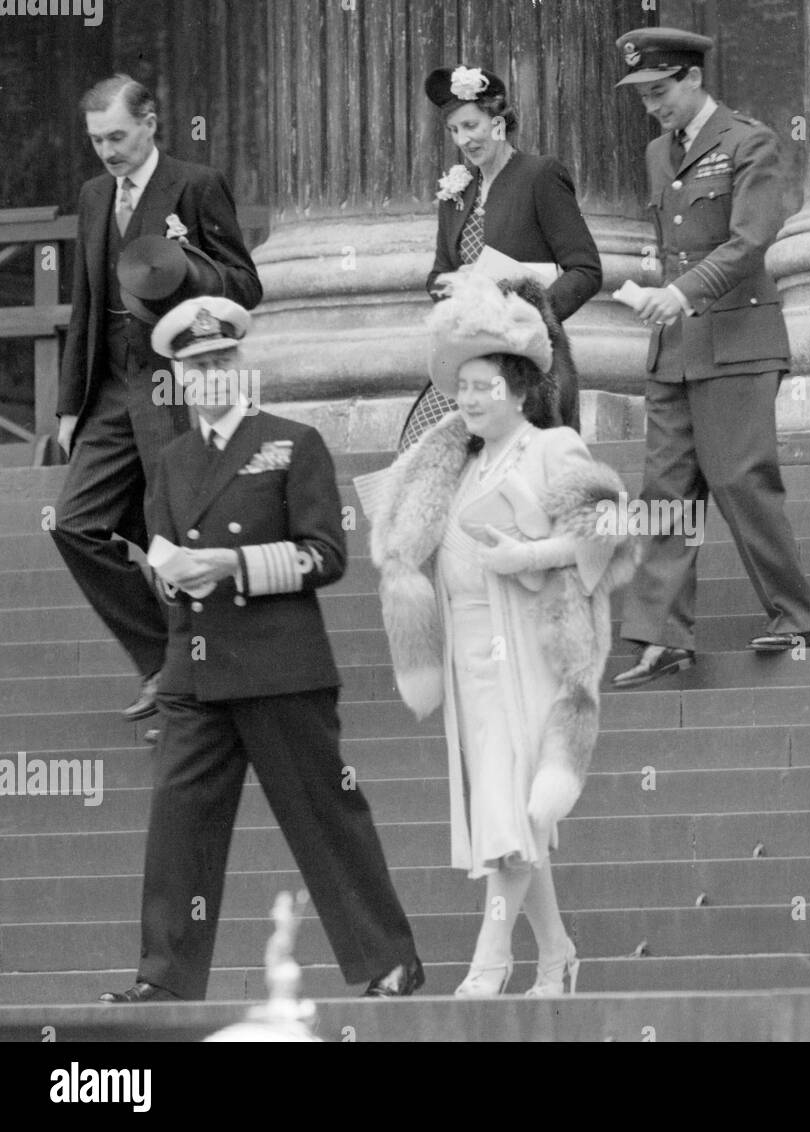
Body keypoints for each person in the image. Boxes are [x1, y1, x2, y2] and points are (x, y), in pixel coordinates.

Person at [99, 297, 423, 1003]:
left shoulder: (291, 442)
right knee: (178, 829)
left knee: (327, 820)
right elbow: (163, 550)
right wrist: (168, 578)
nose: (212, 375)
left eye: (222, 361)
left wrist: (231, 566)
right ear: (179, 380)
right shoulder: (172, 460)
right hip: (197, 668)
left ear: (240, 369)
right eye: (197, 367)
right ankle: (164, 976)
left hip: (280, 664)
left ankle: (389, 960)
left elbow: (325, 555)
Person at [370, 273, 634, 997]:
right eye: (462, 387)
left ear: (518, 388)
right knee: (507, 809)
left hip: (535, 647)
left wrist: (528, 556)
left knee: (509, 809)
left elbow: (610, 533)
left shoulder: (553, 448)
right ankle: (556, 951)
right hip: (471, 654)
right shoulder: (455, 463)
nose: (470, 398)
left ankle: (492, 958)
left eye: (485, 385)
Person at [610, 27, 810, 689]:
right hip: (675, 348)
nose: (653, 106)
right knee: (666, 493)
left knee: (738, 479)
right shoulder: (657, 152)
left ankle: (798, 616)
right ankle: (662, 637)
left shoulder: (748, 141)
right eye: (643, 96)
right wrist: (662, 294)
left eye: (660, 90)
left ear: (693, 77)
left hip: (737, 339)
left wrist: (680, 292)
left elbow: (751, 240)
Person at [51, 74, 262, 723]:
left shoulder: (194, 185)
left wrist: (190, 264)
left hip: (177, 387)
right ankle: (162, 663)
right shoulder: (93, 196)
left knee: (180, 531)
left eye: (117, 136)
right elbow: (85, 304)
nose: (108, 151)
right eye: (97, 140)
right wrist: (67, 408)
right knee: (75, 524)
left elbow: (245, 284)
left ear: (149, 123)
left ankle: (197, 682)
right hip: (110, 391)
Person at [396, 64, 602, 450]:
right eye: (455, 130)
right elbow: (437, 275)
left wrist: (530, 314)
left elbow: (587, 270)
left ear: (498, 122)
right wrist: (460, 286)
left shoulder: (540, 175)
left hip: (528, 361)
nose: (464, 139)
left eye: (471, 125)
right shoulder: (456, 193)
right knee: (419, 449)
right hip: (467, 357)